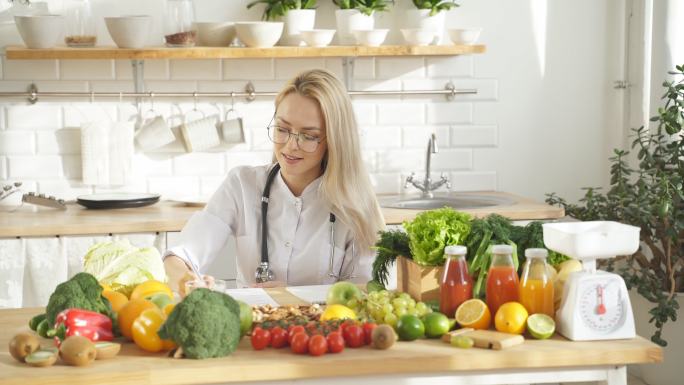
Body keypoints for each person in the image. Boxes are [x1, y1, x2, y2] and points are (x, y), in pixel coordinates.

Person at [163, 68, 385, 293]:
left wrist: (295, 298)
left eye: (309, 136)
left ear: (335, 140)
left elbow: (366, 294)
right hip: (254, 323)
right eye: (282, 129)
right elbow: (182, 253)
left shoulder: (357, 206)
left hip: (324, 326)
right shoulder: (242, 184)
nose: (290, 145)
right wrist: (186, 278)